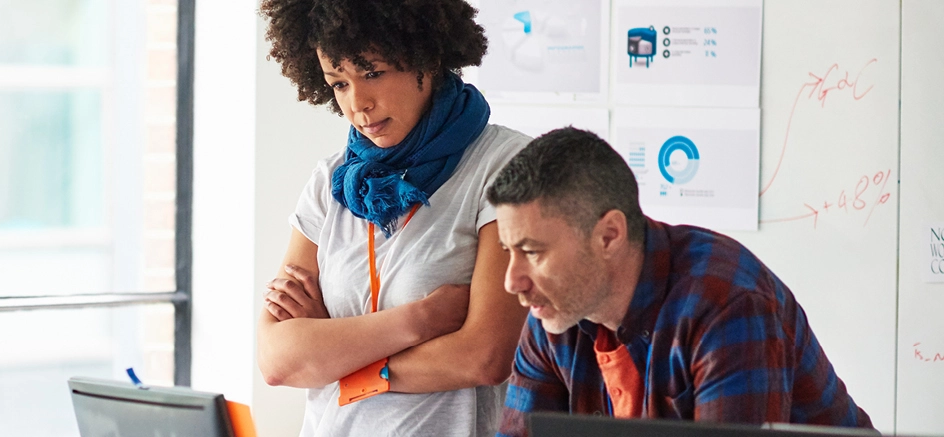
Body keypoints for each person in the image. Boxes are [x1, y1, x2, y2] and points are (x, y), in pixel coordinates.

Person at [255, 0, 532, 435]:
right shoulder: (331, 181)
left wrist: (336, 354)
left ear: (427, 56)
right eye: (338, 84)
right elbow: (278, 362)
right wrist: (419, 321)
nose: (357, 104)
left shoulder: (506, 166)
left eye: (373, 73)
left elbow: (483, 357)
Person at [484, 127, 873, 436]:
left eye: (532, 252)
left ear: (609, 236)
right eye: (508, 251)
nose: (512, 281)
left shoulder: (727, 303)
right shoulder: (554, 309)